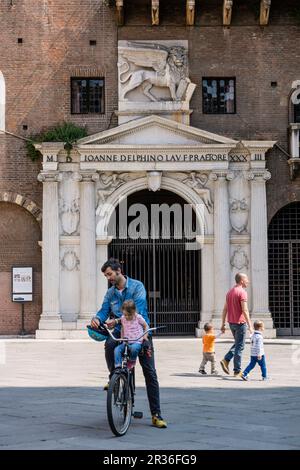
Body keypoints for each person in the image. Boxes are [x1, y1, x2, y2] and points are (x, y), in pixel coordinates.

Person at [91, 258, 167, 429]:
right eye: (105, 275)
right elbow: (104, 310)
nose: (108, 278)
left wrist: (116, 321)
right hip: (121, 332)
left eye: (109, 274)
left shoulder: (137, 286)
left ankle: (156, 414)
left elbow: (137, 311)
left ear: (118, 271)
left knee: (150, 372)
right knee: (110, 345)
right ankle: (115, 376)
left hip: (140, 332)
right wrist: (97, 318)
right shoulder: (110, 293)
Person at [220, 273, 253, 377]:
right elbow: (245, 310)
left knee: (238, 344)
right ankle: (236, 370)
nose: (248, 281)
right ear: (242, 281)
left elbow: (225, 309)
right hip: (240, 323)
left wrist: (223, 324)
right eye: (247, 279)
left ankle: (226, 360)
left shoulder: (229, 292)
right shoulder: (242, 292)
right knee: (240, 346)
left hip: (231, 323)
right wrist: (250, 325)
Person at [114, 300, 148, 369]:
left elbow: (146, 326)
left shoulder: (138, 317)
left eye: (129, 315)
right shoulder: (123, 318)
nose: (127, 317)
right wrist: (122, 338)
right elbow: (123, 328)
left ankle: (132, 361)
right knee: (117, 349)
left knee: (134, 349)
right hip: (126, 341)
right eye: (125, 314)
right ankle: (118, 365)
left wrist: (145, 336)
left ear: (134, 311)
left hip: (136, 341)